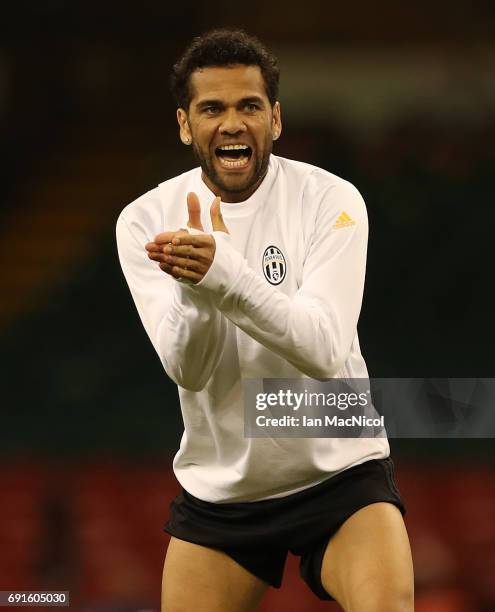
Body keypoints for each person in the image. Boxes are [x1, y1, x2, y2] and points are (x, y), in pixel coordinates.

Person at [116, 29, 414, 612]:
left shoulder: (331, 200)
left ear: (274, 119)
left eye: (249, 106)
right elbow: (189, 369)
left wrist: (225, 274)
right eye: (212, 108)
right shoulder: (144, 220)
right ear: (185, 125)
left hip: (340, 471)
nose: (232, 123)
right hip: (223, 489)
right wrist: (202, 289)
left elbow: (325, 349)